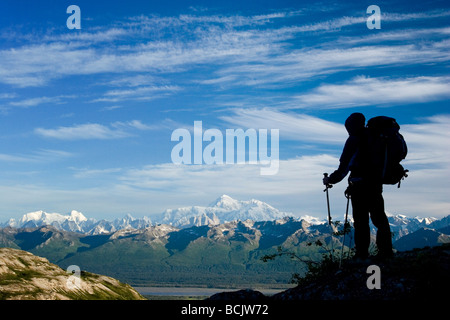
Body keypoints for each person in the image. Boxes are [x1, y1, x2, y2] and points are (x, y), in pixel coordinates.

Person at [323, 112, 393, 260]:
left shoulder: (354, 140)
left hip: (359, 186)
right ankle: (386, 252)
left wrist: (330, 180)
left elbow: (343, 169)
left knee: (361, 221)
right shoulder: (377, 138)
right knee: (380, 218)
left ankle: (362, 254)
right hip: (375, 184)